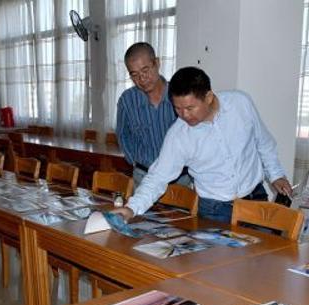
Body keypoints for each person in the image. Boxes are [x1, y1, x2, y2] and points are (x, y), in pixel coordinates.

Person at [113, 66, 293, 223]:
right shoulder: (179, 135)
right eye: (177, 108)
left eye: (190, 108)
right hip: (215, 211)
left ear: (208, 97)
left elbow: (263, 142)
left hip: (255, 200)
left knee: (261, 259)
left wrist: (276, 174)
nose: (184, 115)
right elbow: (158, 177)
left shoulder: (240, 103)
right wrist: (131, 209)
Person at [115, 42, 177, 185]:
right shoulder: (127, 100)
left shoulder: (178, 95)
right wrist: (134, 160)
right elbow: (123, 134)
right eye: (134, 75)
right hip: (144, 176)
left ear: (157, 63)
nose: (142, 79)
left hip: (179, 178)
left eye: (145, 70)